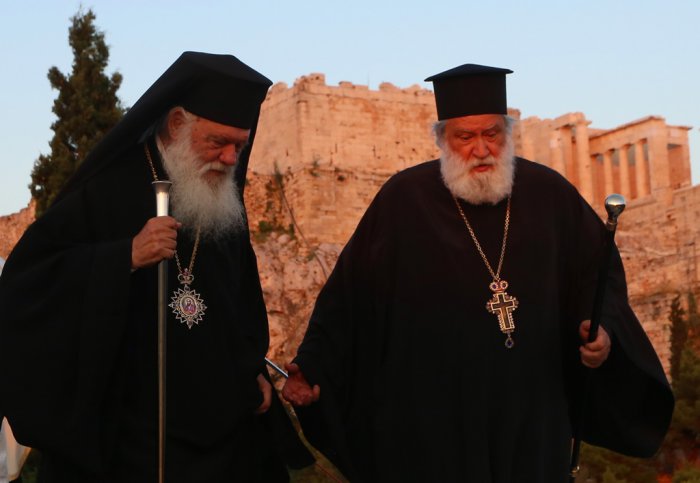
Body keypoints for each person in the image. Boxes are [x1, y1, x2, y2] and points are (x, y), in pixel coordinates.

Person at [282, 64, 674, 482]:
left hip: (532, 414)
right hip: (433, 422)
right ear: (443, 140)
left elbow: (599, 276)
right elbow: (350, 296)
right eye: (465, 137)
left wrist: (603, 330)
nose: (481, 149)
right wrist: (313, 364)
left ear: (508, 134)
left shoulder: (550, 194)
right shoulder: (403, 201)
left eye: (492, 134)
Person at [0, 52, 312, 482]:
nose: (228, 158)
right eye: (217, 142)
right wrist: (122, 257)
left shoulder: (225, 206)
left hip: (219, 433)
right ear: (177, 124)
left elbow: (236, 303)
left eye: (238, 146)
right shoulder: (107, 188)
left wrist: (250, 370)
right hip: (128, 435)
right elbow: (28, 284)